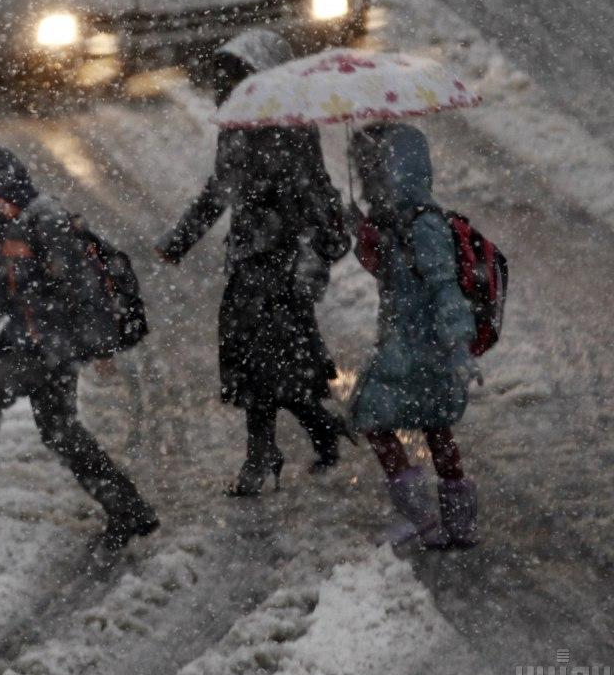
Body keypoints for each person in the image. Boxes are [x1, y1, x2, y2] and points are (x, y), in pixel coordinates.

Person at [0, 145, 159, 550]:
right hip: (36, 344)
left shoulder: (47, 222)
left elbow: (84, 287)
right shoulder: (8, 227)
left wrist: (100, 346)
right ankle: (129, 510)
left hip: (51, 347)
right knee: (60, 431)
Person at [155, 30, 351, 497]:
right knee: (261, 364)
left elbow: (315, 195)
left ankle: (263, 454)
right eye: (223, 82)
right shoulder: (236, 131)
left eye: (236, 79)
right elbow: (219, 190)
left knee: (268, 365)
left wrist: (312, 250)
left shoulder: (293, 128)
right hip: (248, 263)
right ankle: (318, 429)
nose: (225, 90)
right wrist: (180, 240)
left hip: (283, 267)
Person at [347, 123, 480, 549]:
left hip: (416, 346)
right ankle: (458, 523)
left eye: (373, 171)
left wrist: (459, 343)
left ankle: (421, 516)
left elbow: (444, 285)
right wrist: (365, 236)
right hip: (414, 343)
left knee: (372, 416)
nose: (368, 183)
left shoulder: (423, 223)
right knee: (434, 424)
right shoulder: (398, 221)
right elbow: (394, 277)